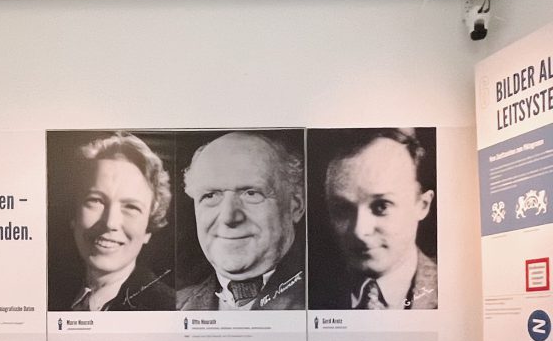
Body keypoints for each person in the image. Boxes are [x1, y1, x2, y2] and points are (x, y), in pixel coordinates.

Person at [177, 132, 305, 311]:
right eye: (210, 195)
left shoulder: (325, 300)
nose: (228, 217)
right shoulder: (177, 305)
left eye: (251, 193)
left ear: (296, 205)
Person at [317, 129, 437, 310]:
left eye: (381, 206)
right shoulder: (310, 294)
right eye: (343, 209)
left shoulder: (455, 291)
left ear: (422, 205)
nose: (360, 231)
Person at [54, 132, 174, 311]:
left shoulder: (167, 308)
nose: (110, 222)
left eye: (131, 207)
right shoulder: (49, 294)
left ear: (149, 228)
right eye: (95, 200)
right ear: (74, 214)